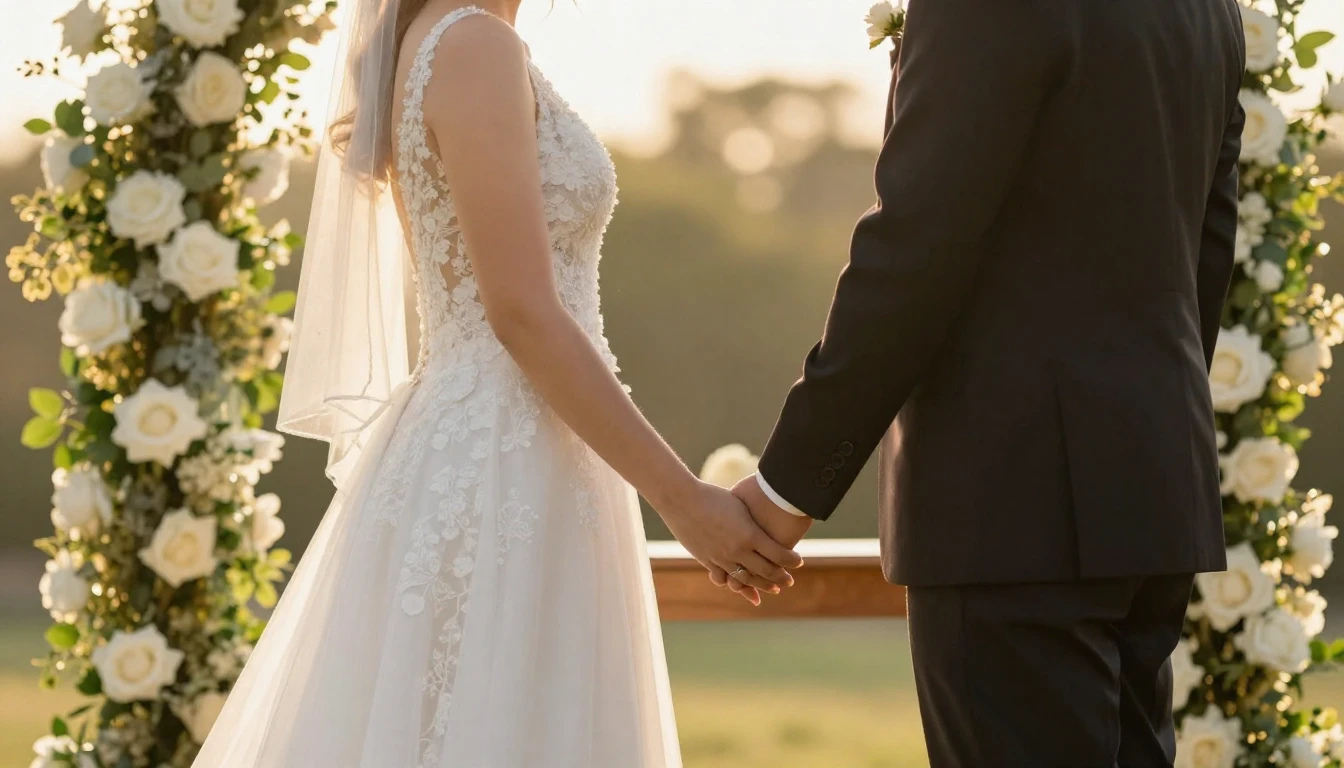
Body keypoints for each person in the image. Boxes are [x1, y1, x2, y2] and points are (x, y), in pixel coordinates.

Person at [192, 2, 802, 765]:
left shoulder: (451, 41)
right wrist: (683, 500)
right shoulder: (473, 45)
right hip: (501, 466)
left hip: (519, 444)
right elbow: (518, 314)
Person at [723, 0, 1247, 764]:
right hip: (1151, 494)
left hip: (1008, 503)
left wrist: (784, 491)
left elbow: (917, 245)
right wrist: (1144, 429)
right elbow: (1208, 240)